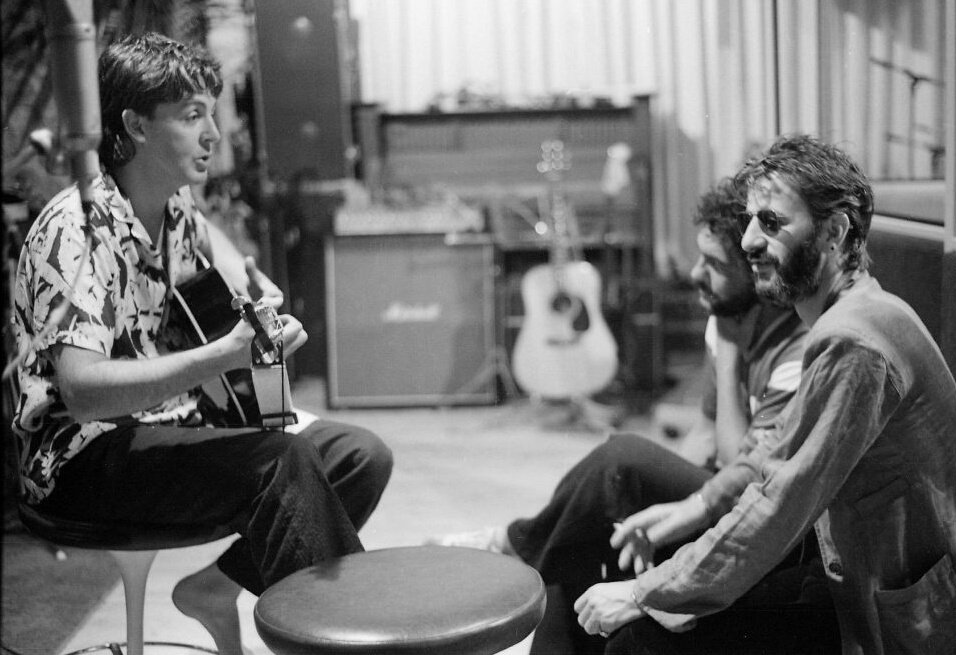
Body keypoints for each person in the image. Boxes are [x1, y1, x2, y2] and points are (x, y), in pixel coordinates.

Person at [10, 33, 393, 655]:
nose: (214, 133)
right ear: (134, 125)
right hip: (79, 461)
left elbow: (222, 265)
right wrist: (223, 354)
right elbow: (81, 393)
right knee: (282, 461)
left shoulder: (176, 206)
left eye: (212, 113)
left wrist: (259, 304)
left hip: (167, 425)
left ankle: (215, 588)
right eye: (192, 117)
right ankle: (352, 640)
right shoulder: (76, 228)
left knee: (358, 454)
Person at [575, 134, 956, 654]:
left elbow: (782, 501)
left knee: (639, 638)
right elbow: (774, 465)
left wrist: (649, 591)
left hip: (901, 619)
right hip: (850, 578)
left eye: (771, 223)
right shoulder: (850, 316)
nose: (750, 240)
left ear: (835, 232)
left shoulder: (854, 340)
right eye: (752, 220)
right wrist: (691, 521)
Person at [431, 177, 833, 653]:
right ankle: (531, 549)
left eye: (716, 265)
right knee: (588, 541)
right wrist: (648, 504)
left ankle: (516, 544)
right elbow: (704, 435)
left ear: (753, 273)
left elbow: (744, 469)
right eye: (700, 258)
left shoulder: (795, 349)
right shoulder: (726, 315)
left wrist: (728, 355)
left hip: (763, 522)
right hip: (720, 492)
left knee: (621, 456)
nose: (696, 274)